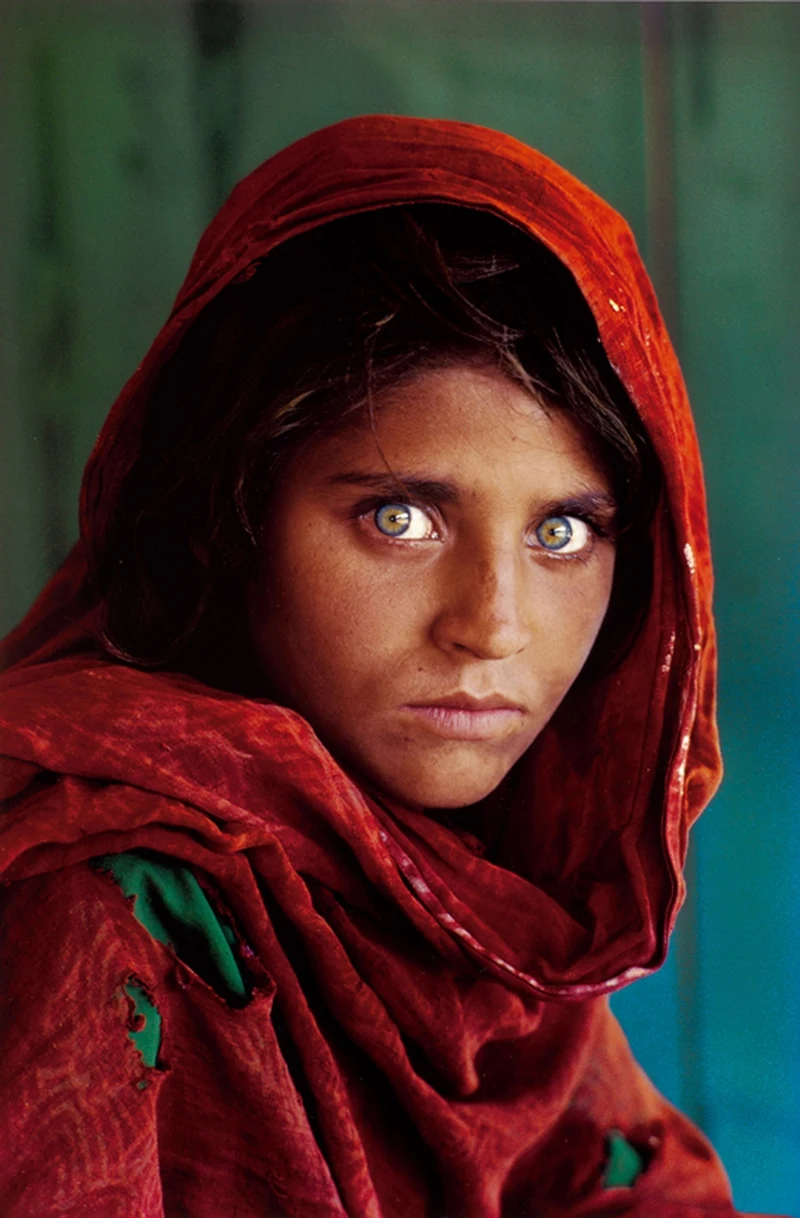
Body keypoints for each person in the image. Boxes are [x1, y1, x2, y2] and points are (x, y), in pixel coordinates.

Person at [0, 115, 745, 1216]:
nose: (491, 627)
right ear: (232, 512)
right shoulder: (102, 895)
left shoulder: (477, 901)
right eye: (399, 517)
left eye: (561, 534)